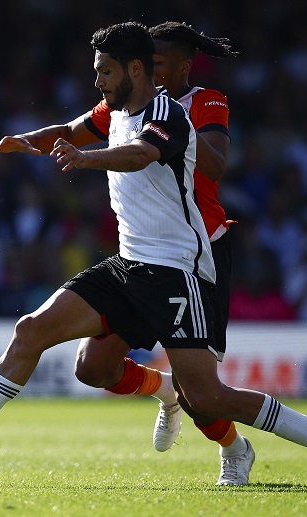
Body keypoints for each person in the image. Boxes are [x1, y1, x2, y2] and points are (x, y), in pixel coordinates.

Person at [0, 22, 307, 491]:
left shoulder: (169, 114)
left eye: (104, 72)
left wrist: (86, 159)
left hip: (174, 270)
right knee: (52, 344)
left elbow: (141, 154)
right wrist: (26, 141)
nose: (97, 82)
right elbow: (70, 130)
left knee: (206, 397)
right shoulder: (116, 109)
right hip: (127, 264)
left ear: (134, 69)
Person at [72, 22, 255, 485]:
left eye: (156, 64)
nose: (147, 70)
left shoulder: (202, 102)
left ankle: (235, 450)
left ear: (182, 67)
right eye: (144, 64)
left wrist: (172, 131)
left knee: (204, 395)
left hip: (200, 251)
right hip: (146, 254)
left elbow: (215, 162)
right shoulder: (128, 107)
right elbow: (78, 130)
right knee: (94, 367)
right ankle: (165, 391)